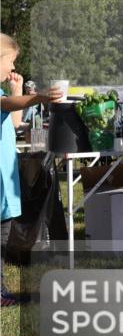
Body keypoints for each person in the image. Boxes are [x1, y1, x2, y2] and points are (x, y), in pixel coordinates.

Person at [1, 34, 62, 306]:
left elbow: (13, 122)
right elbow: (5, 106)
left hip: (5, 179)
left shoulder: (3, 93)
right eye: (10, 61)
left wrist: (17, 90)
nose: (13, 68)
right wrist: (37, 97)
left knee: (3, 235)